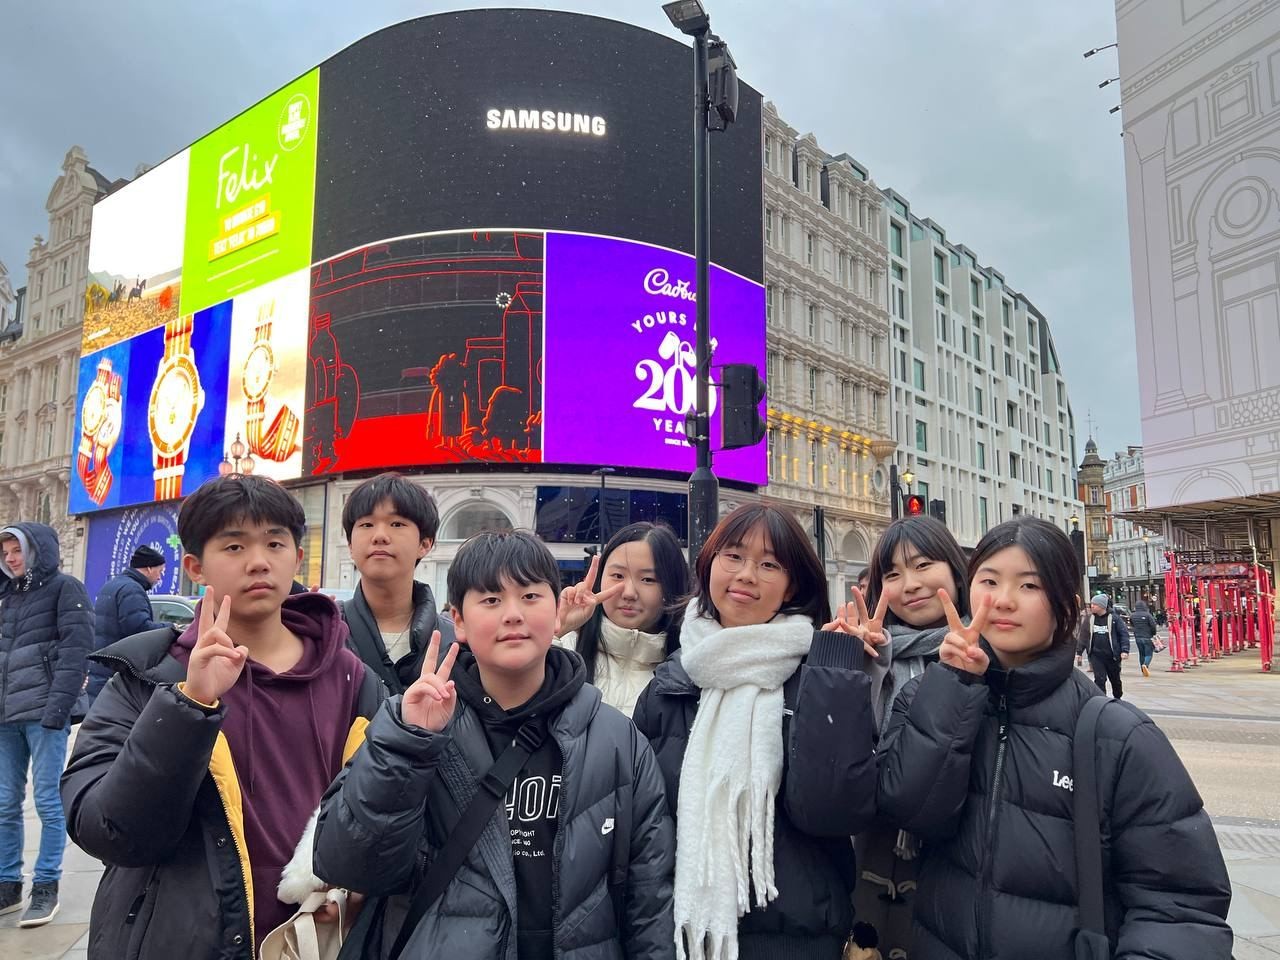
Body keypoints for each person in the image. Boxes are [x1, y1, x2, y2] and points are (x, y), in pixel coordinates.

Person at [878, 516, 1232, 959]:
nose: (1003, 600)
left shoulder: (1116, 735)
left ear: (1067, 604)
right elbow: (908, 811)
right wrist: (954, 684)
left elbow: (1180, 908)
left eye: (1029, 585)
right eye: (989, 581)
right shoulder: (927, 697)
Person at [61, 475, 383, 958]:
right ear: (195, 566)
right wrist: (189, 706)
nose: (258, 561)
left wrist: (354, 884)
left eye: (275, 543)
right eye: (234, 546)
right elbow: (107, 829)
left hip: (322, 940)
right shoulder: (148, 677)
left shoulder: (353, 678)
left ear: (297, 557)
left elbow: (384, 809)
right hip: (188, 941)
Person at [313, 530, 674, 960]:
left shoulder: (616, 739)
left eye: (530, 596)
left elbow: (649, 899)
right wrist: (409, 744)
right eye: (491, 600)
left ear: (556, 611)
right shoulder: (410, 721)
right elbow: (348, 864)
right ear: (458, 621)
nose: (513, 615)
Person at [632, 503, 882, 960]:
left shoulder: (819, 675)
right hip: (685, 939)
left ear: (793, 586)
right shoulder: (668, 686)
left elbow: (833, 811)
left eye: (769, 565)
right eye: (733, 556)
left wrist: (838, 671)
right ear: (709, 565)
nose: (746, 575)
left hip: (798, 943)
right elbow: (643, 835)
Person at [854, 515, 971, 959]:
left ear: (955, 571)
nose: (910, 585)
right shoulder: (874, 652)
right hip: (879, 854)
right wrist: (860, 666)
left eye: (923, 565)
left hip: (966, 849)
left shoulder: (989, 648)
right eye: (893, 574)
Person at [0, 523, 92, 927]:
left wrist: (59, 708)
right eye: (5, 552)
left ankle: (45, 886)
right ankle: (7, 885)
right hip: (6, 716)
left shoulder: (65, 588)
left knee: (48, 801)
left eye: (16, 550)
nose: (10, 558)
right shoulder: (6, 595)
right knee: (5, 804)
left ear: (36, 550)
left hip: (44, 714)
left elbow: (77, 652)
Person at [556, 521, 689, 717]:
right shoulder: (564, 650)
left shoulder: (689, 672)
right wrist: (556, 630)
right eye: (618, 575)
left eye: (648, 579)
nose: (629, 593)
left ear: (672, 586)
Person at [340, 472, 456, 694]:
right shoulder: (324, 631)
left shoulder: (455, 641)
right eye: (366, 524)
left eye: (396, 524)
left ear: (425, 544)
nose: (380, 536)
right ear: (350, 546)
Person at [87, 544, 167, 703]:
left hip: (102, 669)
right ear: (149, 568)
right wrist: (169, 628)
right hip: (115, 675)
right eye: (160, 571)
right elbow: (139, 630)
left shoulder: (113, 585)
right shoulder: (132, 590)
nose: (160, 577)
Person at [1076, 593, 1130, 698]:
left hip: (1112, 656)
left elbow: (1123, 635)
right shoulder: (1089, 619)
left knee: (1115, 679)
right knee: (1099, 679)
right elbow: (1084, 636)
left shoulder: (1115, 619)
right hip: (1096, 655)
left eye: (1094, 604)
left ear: (1102, 606)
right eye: (1091, 604)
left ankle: (1118, 697)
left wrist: (1125, 650)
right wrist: (1079, 652)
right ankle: (1101, 700)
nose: (1092, 606)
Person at [1130, 599, 1159, 677]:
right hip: (1147, 636)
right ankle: (1145, 665)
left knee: (1141, 654)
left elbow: (1132, 625)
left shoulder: (1132, 615)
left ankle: (1143, 670)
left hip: (1138, 637)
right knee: (1149, 653)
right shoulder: (1148, 615)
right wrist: (1153, 633)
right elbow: (1153, 626)